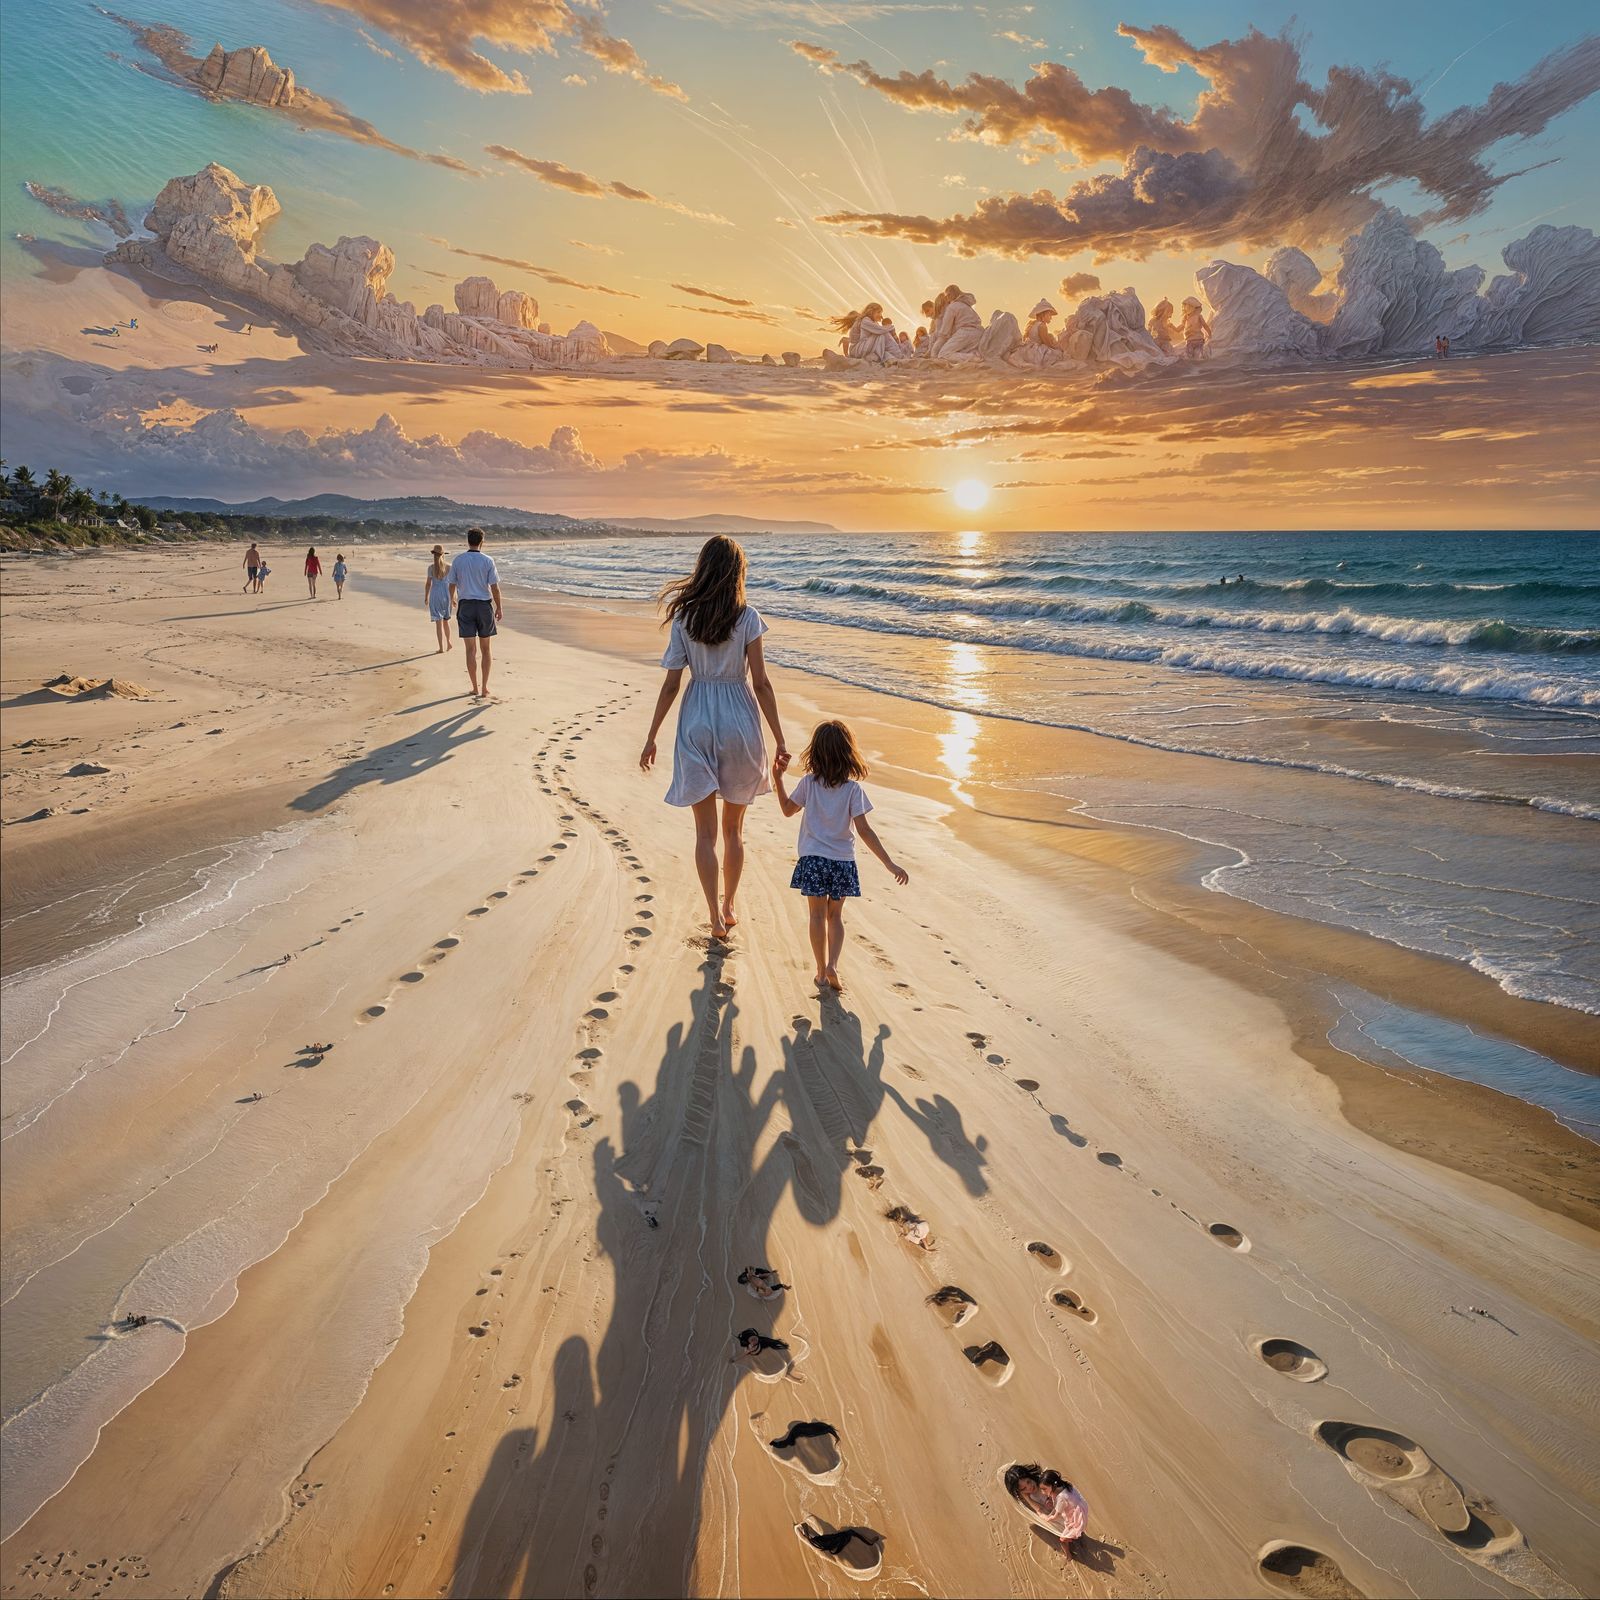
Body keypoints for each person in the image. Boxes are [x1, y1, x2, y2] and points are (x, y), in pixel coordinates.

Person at [639, 536, 787, 940]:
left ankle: (714, 918)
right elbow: (762, 684)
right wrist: (779, 739)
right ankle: (730, 905)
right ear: (738, 571)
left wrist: (652, 736)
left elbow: (671, 685)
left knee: (704, 833)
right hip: (739, 719)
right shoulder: (748, 618)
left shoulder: (685, 618)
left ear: (703, 568)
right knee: (733, 831)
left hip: (697, 718)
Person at [773, 720, 907, 992]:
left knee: (815, 916)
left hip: (813, 859)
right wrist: (889, 863)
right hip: (843, 862)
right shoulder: (852, 790)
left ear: (816, 752)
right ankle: (833, 964)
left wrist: (777, 778)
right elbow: (865, 831)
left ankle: (821, 971)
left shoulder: (808, 783)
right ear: (848, 753)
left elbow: (788, 810)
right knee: (835, 917)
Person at [446, 527, 503, 699]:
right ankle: (485, 688)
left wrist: (452, 599)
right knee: (486, 649)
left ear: (468, 540)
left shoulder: (458, 560)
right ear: (482, 542)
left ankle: (474, 688)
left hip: (466, 606)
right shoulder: (487, 560)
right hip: (484, 606)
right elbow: (494, 587)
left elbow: (451, 584)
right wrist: (499, 607)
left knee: (470, 650)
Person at [1005, 1464, 1089, 1548]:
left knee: (1076, 1523)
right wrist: (1028, 1499)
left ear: (1030, 1476)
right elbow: (1039, 1510)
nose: (1029, 1487)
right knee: (1064, 1528)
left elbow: (1061, 1492)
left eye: (1028, 1482)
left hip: (1065, 1507)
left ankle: (1078, 1534)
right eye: (1024, 1489)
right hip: (1054, 1513)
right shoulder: (1030, 1496)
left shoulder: (1043, 1481)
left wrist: (1052, 1499)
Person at [424, 544, 454, 653]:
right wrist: (453, 598)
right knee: (446, 621)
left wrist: (426, 596)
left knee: (438, 623)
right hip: (446, 595)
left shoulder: (431, 568)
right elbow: (452, 584)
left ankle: (441, 648)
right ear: (443, 554)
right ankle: (449, 643)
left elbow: (428, 584)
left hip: (435, 595)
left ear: (433, 554)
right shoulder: (449, 567)